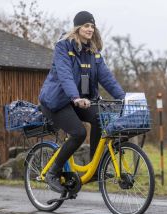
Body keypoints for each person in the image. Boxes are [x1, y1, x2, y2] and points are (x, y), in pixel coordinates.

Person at [39, 11, 125, 193]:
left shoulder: (93, 52)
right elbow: (65, 75)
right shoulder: (63, 47)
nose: (90, 29)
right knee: (78, 133)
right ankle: (52, 173)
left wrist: (124, 98)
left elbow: (107, 78)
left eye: (92, 26)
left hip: (80, 101)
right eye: (86, 25)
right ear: (77, 28)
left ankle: (95, 169)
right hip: (57, 102)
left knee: (101, 118)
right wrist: (75, 97)